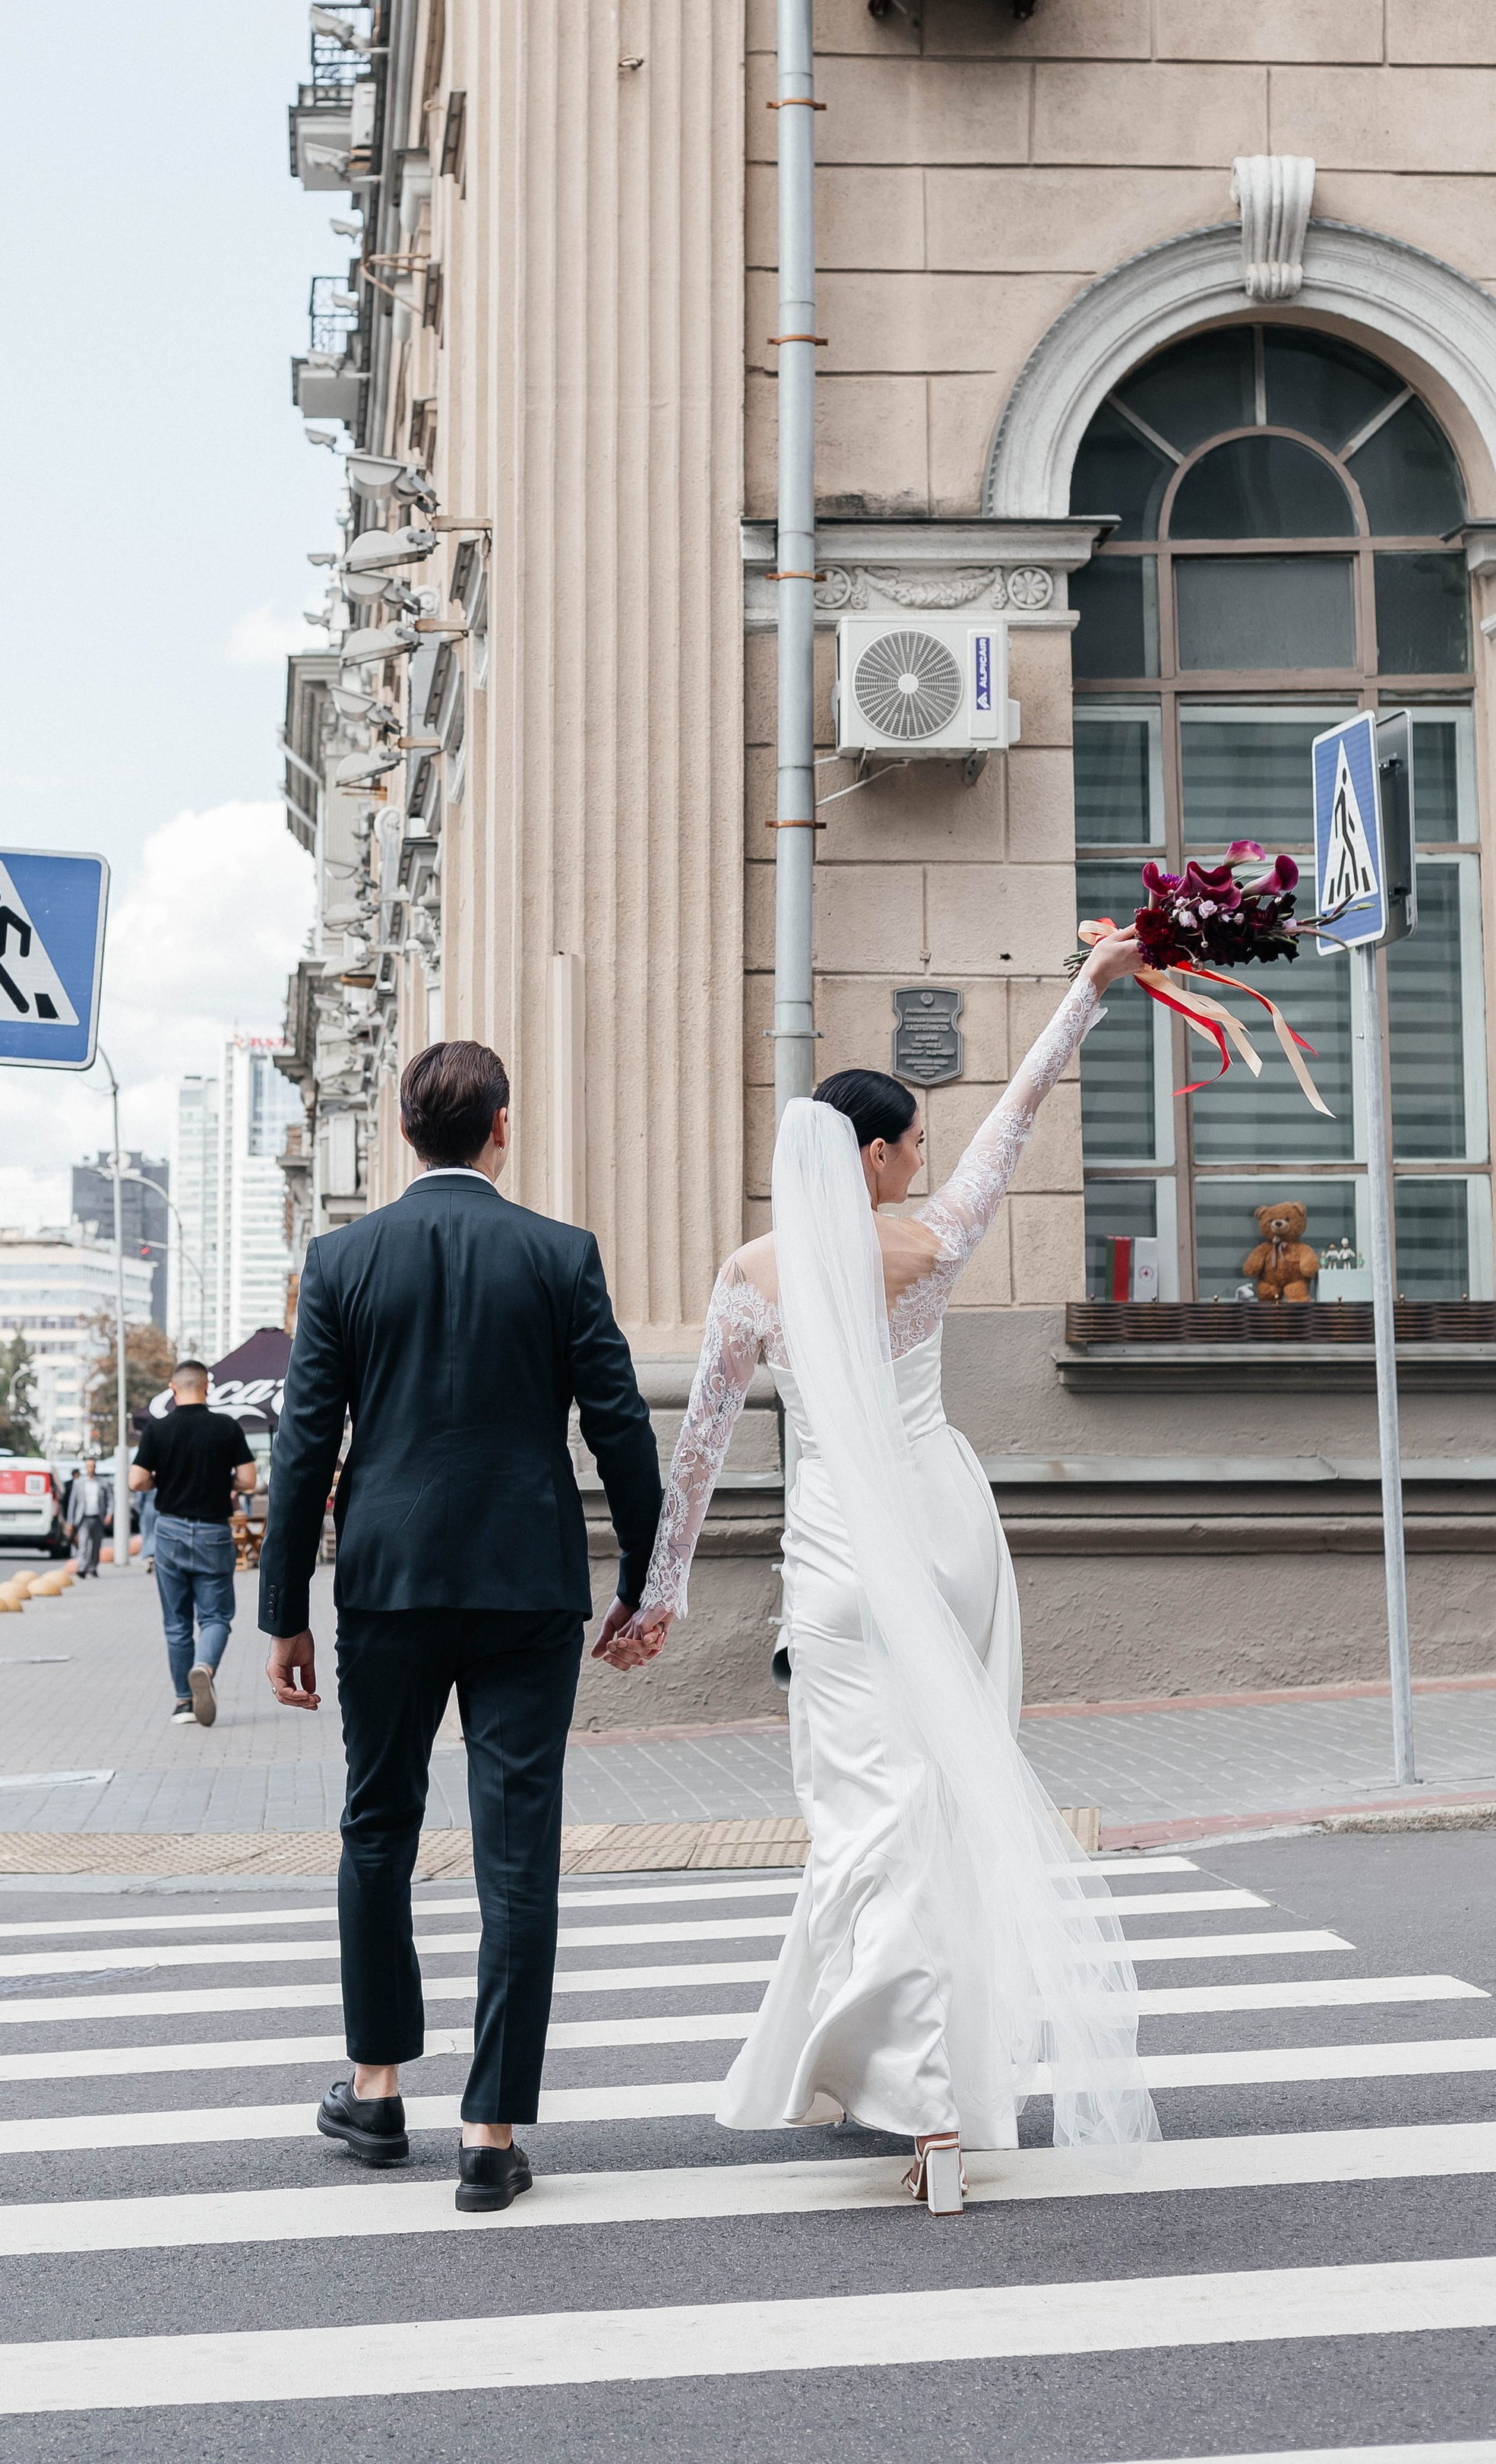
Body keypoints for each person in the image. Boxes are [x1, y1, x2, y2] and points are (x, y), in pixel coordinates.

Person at [603, 933, 1160, 2212]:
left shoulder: (750, 1282)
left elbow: (693, 1458)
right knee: (953, 1814)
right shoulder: (931, 1244)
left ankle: (919, 2106)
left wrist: (658, 1597)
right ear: (872, 1157)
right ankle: (944, 2102)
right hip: (951, 1540)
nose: (923, 1158)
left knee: (872, 1830)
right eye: (909, 1143)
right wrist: (1088, 989)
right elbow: (1017, 1121)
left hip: (842, 1565)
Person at [261, 1037, 662, 2217]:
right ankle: (491, 2132)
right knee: (516, 1845)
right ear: (501, 1127)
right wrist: (648, 1570)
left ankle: (377, 2090)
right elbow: (621, 1423)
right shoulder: (560, 1253)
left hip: (383, 1583)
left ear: (403, 1131)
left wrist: (284, 1609)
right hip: (528, 1584)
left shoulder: (338, 1259)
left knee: (376, 1826)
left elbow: (303, 1446)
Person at [132, 1362, 256, 1726]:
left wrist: (164, 1481)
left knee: (176, 1623)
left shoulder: (157, 1429)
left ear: (173, 1387)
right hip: (213, 1533)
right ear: (208, 1387)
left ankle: (184, 1703)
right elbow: (248, 1480)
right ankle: (203, 1666)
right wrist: (223, 1481)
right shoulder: (226, 1427)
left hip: (169, 1532)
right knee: (216, 1616)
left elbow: (136, 1480)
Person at [66, 1463, 106, 1579]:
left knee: (95, 1545)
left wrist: (109, 1513)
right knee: (83, 1543)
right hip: (83, 1518)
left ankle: (93, 1568)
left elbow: (109, 1498)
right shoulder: (79, 1483)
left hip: (97, 1518)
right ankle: (82, 1568)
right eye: (89, 1467)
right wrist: (70, 1521)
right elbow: (72, 1503)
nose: (91, 1469)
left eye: (93, 1466)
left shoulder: (102, 1483)